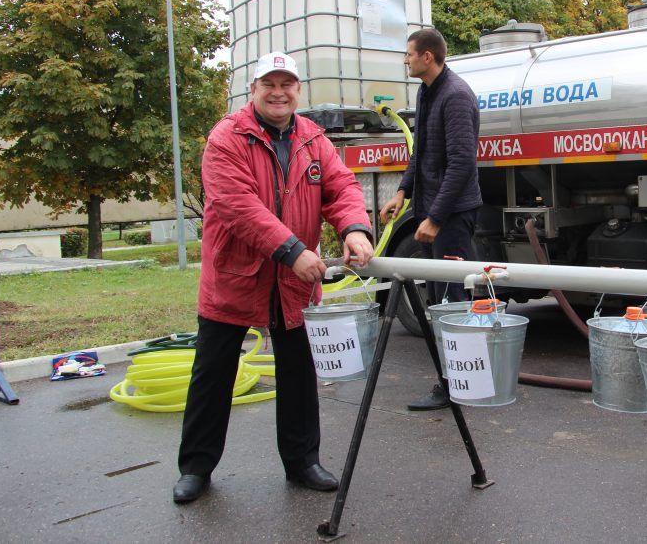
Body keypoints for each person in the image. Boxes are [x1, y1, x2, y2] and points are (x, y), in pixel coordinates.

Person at [173, 51, 374, 504]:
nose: (279, 92)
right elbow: (236, 205)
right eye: (270, 84)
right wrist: (292, 251)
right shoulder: (227, 137)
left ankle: (303, 462)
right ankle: (196, 468)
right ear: (254, 89)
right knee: (213, 375)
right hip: (235, 277)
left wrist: (355, 229)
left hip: (292, 283)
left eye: (287, 84)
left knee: (299, 375)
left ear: (298, 91)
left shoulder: (313, 138)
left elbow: (341, 187)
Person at [380, 28, 482, 412]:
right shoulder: (427, 92)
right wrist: (402, 193)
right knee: (441, 298)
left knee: (451, 302)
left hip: (453, 216)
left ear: (427, 56)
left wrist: (436, 219)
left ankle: (455, 386)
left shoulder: (455, 97)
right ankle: (459, 379)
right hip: (436, 209)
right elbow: (419, 152)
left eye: (408, 54)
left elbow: (461, 165)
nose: (405, 60)